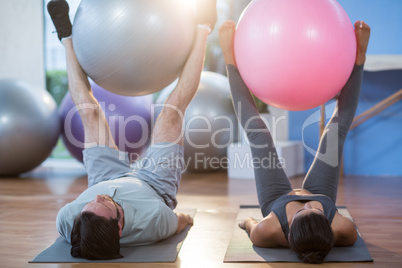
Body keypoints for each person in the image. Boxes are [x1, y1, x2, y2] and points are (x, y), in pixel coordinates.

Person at [47, 0, 217, 260]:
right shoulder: (155, 222)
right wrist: (187, 219)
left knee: (88, 112)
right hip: (154, 185)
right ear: (119, 226)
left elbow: (95, 201)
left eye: (89, 206)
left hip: (105, 176)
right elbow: (180, 219)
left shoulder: (68, 219)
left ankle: (65, 35)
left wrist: (100, 199)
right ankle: (204, 25)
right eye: (103, 204)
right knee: (171, 114)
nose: (98, 199)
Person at [219, 20, 370, 264]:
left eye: (302, 211)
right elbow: (330, 223)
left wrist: (247, 222)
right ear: (329, 225)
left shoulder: (268, 231)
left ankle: (228, 60)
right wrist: (319, 204)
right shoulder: (344, 229)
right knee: (335, 132)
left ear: (287, 232)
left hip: (275, 198)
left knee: (257, 132)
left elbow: (249, 224)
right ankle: (360, 60)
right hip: (322, 192)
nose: (307, 203)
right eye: (315, 211)